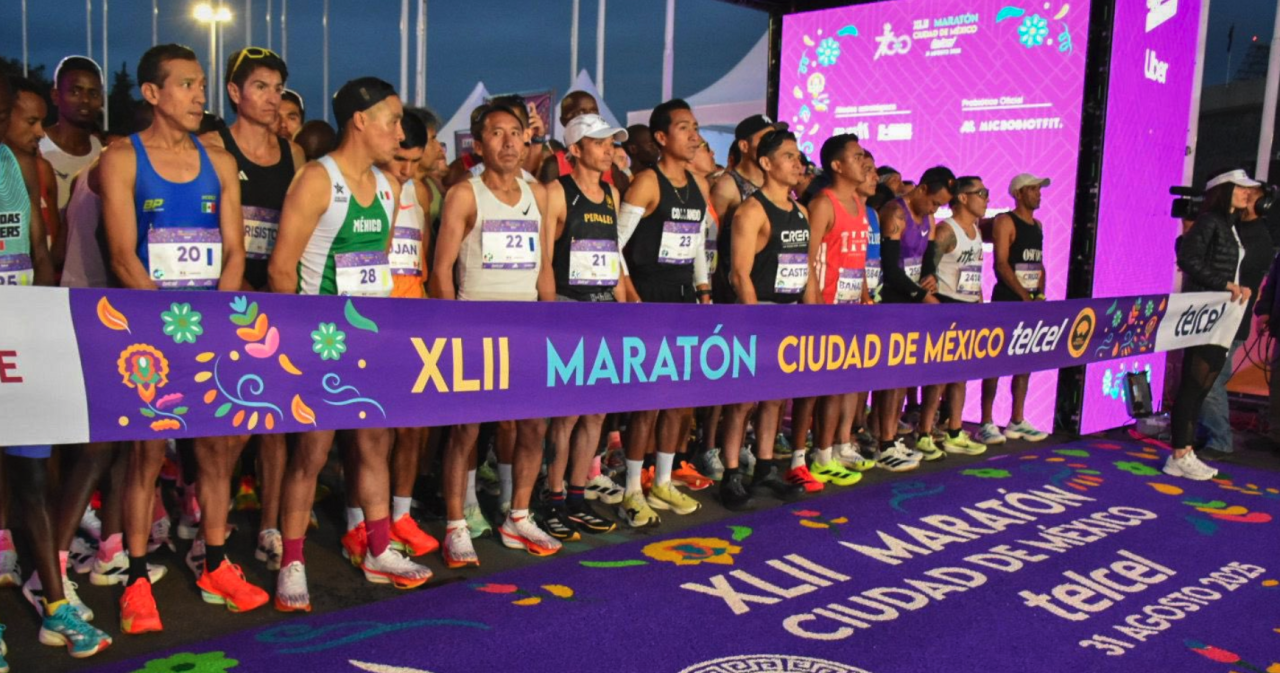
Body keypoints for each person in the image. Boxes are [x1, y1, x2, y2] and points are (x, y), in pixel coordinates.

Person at [100, 44, 262, 633]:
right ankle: (136, 577)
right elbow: (123, 255)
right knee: (146, 454)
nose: (200, 95)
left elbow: (235, 249)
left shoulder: (218, 161)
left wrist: (217, 318)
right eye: (187, 84)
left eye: (202, 84)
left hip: (209, 326)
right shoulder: (122, 159)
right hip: (150, 329)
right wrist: (167, 326)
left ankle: (216, 562)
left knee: (216, 447)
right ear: (152, 93)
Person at [269, 77, 434, 610]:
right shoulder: (318, 180)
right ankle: (292, 562)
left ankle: (379, 549)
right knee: (311, 454)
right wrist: (295, 343)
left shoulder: (388, 187)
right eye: (392, 119)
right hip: (319, 342)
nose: (400, 132)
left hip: (367, 341)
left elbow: (375, 268)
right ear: (360, 120)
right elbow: (281, 269)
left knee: (373, 443)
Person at [0, 72, 112, 660]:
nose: (34, 128)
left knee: (33, 480)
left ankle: (55, 604)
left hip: (21, 336)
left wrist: (41, 329)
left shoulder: (20, 167)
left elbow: (40, 253)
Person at [430, 100, 560, 566]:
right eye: (496, 133)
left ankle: (518, 515)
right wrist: (452, 331)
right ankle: (455, 525)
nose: (508, 142)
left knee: (533, 425)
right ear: (479, 144)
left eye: (515, 132)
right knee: (466, 429)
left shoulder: (538, 194)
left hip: (526, 329)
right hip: (474, 328)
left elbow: (544, 266)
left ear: (527, 140)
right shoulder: (464, 195)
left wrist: (550, 324)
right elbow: (441, 271)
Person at [197, 47, 306, 574]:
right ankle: (208, 530)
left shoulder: (294, 155)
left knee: (275, 421)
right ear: (234, 92)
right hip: (227, 298)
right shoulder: (211, 148)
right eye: (260, 86)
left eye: (278, 88)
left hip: (278, 298)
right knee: (226, 427)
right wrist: (235, 291)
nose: (272, 98)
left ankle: (268, 526)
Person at [615, 99, 711, 526]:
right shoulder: (646, 183)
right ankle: (632, 489)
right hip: (648, 296)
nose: (694, 136)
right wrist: (631, 293)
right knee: (648, 400)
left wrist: (704, 291)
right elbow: (613, 244)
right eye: (684, 128)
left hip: (684, 298)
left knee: (680, 398)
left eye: (696, 128)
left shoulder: (697, 185)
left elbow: (696, 244)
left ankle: (664, 481)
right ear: (660, 137)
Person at [716, 129, 819, 510]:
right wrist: (755, 323)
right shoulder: (751, 211)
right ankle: (731, 473)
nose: (798, 163)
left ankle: (764, 467)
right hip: (756, 313)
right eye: (789, 156)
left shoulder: (801, 212)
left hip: (789, 313)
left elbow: (806, 271)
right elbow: (739, 274)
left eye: (798, 156)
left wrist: (813, 318)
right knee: (742, 400)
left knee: (776, 396)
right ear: (765, 163)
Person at [542, 114, 628, 539]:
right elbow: (543, 257)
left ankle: (577, 494)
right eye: (598, 142)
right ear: (575, 150)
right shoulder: (557, 192)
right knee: (566, 413)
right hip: (568, 307)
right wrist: (548, 313)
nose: (609, 148)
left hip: (604, 309)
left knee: (596, 411)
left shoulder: (611, 193)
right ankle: (553, 497)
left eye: (611, 141)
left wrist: (623, 305)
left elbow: (612, 255)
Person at [378, 109, 440, 557]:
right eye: (400, 160)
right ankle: (365, 520)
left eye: (415, 163)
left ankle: (401, 513)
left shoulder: (419, 191)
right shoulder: (367, 189)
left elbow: (423, 261)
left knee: (412, 428)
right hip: (375, 322)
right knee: (372, 433)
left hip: (414, 320)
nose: (406, 170)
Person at [1169, 168, 1257, 479]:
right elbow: (1188, 258)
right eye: (1240, 188)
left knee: (1204, 385)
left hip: (1221, 316)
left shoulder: (1230, 225)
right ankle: (1180, 452)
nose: (1247, 193)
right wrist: (1225, 284)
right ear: (1224, 190)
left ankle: (1184, 451)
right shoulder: (1210, 221)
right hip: (1204, 314)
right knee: (1193, 384)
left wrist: (1236, 287)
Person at [806, 133, 878, 482]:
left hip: (851, 309)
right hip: (826, 307)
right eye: (857, 156)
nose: (864, 161)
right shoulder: (824, 203)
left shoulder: (859, 206)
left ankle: (838, 446)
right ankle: (819, 455)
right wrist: (817, 306)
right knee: (825, 387)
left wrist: (864, 297)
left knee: (847, 381)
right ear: (837, 165)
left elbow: (857, 260)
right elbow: (807, 259)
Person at [874, 167, 956, 471]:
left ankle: (891, 437)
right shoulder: (895, 212)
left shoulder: (928, 218)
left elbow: (925, 260)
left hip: (912, 303)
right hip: (892, 303)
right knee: (890, 378)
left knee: (904, 376)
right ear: (921, 189)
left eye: (939, 205)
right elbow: (890, 270)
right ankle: (883, 443)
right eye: (933, 202)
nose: (935, 209)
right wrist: (922, 295)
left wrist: (930, 278)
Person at [978, 174, 1052, 445]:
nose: (1038, 193)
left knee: (1024, 362)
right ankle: (986, 421)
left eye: (1039, 189)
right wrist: (1023, 296)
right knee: (995, 361)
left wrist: (1039, 294)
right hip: (1007, 301)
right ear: (1019, 193)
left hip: (1029, 303)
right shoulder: (1005, 221)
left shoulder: (1038, 225)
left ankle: (1017, 419)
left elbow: (1039, 264)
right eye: (1033, 189)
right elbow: (1001, 264)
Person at [920, 176, 991, 455]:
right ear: (962, 198)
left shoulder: (975, 229)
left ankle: (954, 430)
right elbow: (926, 270)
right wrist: (932, 302)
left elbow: (974, 272)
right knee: (938, 375)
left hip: (968, 306)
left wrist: (980, 304)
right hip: (945, 306)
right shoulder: (946, 230)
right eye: (981, 193)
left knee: (961, 374)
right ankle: (924, 432)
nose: (986, 198)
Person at [4, 76, 63, 258]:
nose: (40, 133)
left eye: (42, 123)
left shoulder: (41, 171)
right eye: (31, 122)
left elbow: (49, 249)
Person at [41, 56, 105, 214]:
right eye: (75, 92)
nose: (85, 100)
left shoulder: (103, 153)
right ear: (55, 96)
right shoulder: (37, 147)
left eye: (93, 94)